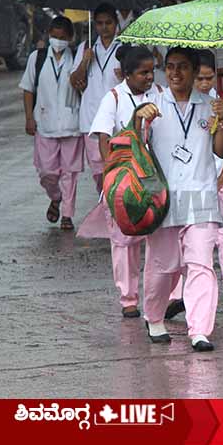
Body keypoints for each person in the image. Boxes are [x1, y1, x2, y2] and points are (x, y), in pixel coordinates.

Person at [133, 47, 223, 352]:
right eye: (171, 67)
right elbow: (133, 148)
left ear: (194, 71)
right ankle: (154, 317)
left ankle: (200, 329)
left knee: (201, 264)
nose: (176, 73)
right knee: (163, 267)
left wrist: (222, 120)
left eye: (183, 67)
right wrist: (138, 120)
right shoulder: (153, 106)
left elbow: (221, 150)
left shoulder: (210, 106)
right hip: (163, 199)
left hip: (201, 197)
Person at [165, 51, 223, 316]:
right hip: (192, 185)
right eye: (200, 78)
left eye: (209, 78)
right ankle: (177, 294)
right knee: (183, 242)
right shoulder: (177, 105)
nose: (205, 84)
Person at [89, 45, 163, 318]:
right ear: (127, 74)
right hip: (124, 180)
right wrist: (113, 179)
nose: (149, 77)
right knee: (124, 242)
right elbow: (103, 139)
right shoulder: (113, 98)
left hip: (153, 179)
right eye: (143, 72)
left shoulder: (160, 94)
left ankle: (163, 295)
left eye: (152, 71)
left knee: (159, 237)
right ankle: (128, 298)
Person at [19, 16, 83, 231]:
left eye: (62, 37)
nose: (58, 41)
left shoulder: (77, 58)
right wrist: (29, 117)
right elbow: (28, 89)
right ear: (48, 35)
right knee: (47, 172)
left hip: (72, 124)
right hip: (44, 124)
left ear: (70, 38)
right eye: (54, 36)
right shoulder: (37, 58)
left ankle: (67, 214)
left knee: (69, 173)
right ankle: (55, 197)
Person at [70, 3, 121, 194]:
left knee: (116, 169)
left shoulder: (125, 47)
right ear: (94, 24)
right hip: (91, 119)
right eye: (99, 23)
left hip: (118, 119)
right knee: (98, 172)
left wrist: (125, 75)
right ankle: (106, 205)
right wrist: (84, 61)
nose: (104, 27)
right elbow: (75, 81)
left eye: (108, 23)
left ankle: (113, 208)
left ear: (116, 23)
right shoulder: (86, 47)